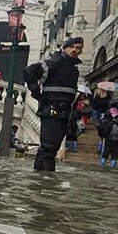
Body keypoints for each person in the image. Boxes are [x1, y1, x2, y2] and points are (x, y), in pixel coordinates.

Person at [23, 37, 84, 171]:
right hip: (52, 110)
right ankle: (44, 181)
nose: (74, 50)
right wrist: (36, 93)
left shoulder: (72, 68)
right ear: (65, 48)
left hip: (63, 112)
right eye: (72, 47)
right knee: (48, 148)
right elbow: (29, 71)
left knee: (51, 149)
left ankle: (42, 178)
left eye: (78, 48)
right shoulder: (55, 62)